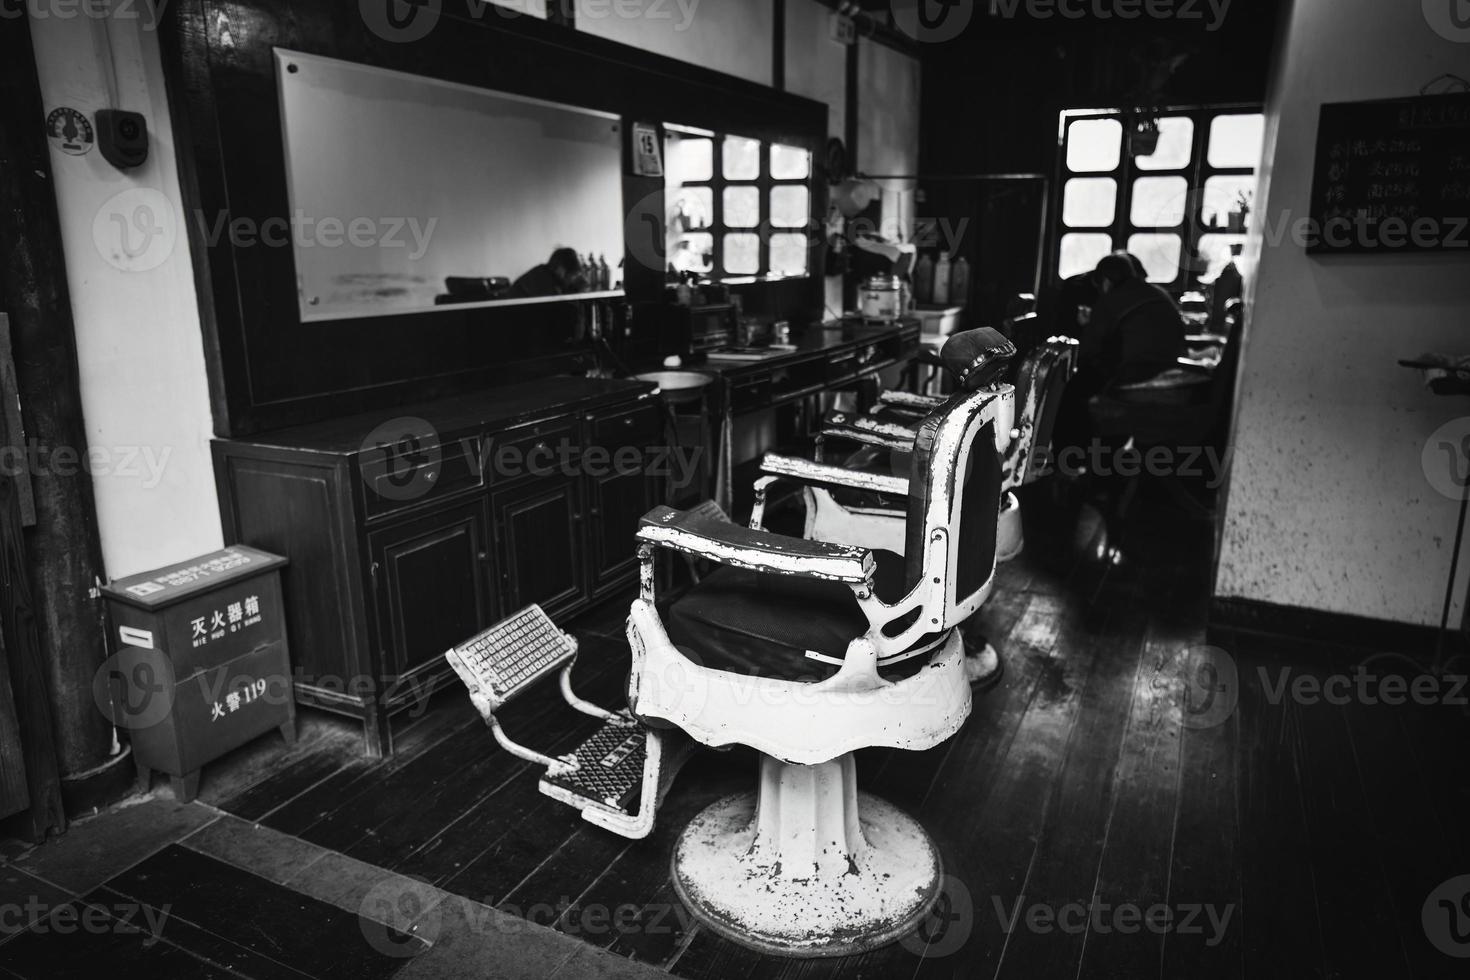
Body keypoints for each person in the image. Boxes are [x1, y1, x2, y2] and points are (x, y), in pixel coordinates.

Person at [509, 247, 584, 298]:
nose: (573, 279)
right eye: (574, 275)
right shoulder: (542, 280)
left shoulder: (545, 273)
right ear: (561, 269)